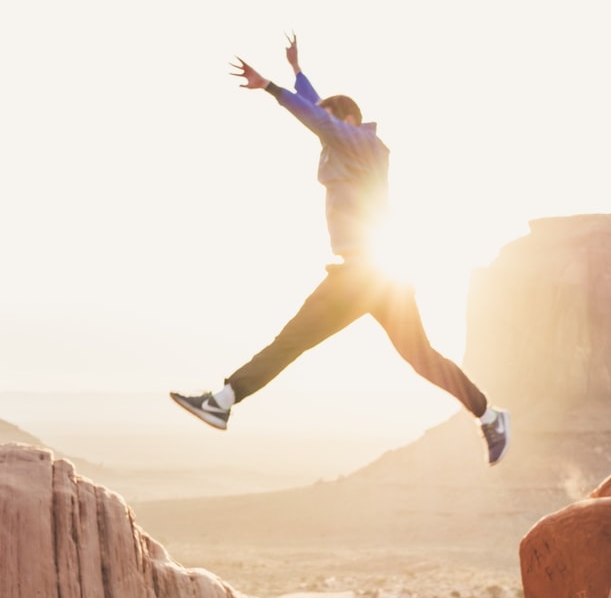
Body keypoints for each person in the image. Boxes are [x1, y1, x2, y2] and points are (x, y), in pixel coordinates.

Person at [171, 34, 510, 466]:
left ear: (349, 118)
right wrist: (298, 73)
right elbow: (319, 113)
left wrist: (272, 87)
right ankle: (490, 415)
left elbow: (319, 119)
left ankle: (222, 401)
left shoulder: (360, 142)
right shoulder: (349, 144)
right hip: (379, 275)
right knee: (421, 358)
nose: (320, 132)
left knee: (292, 340)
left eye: (328, 122)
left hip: (364, 275)